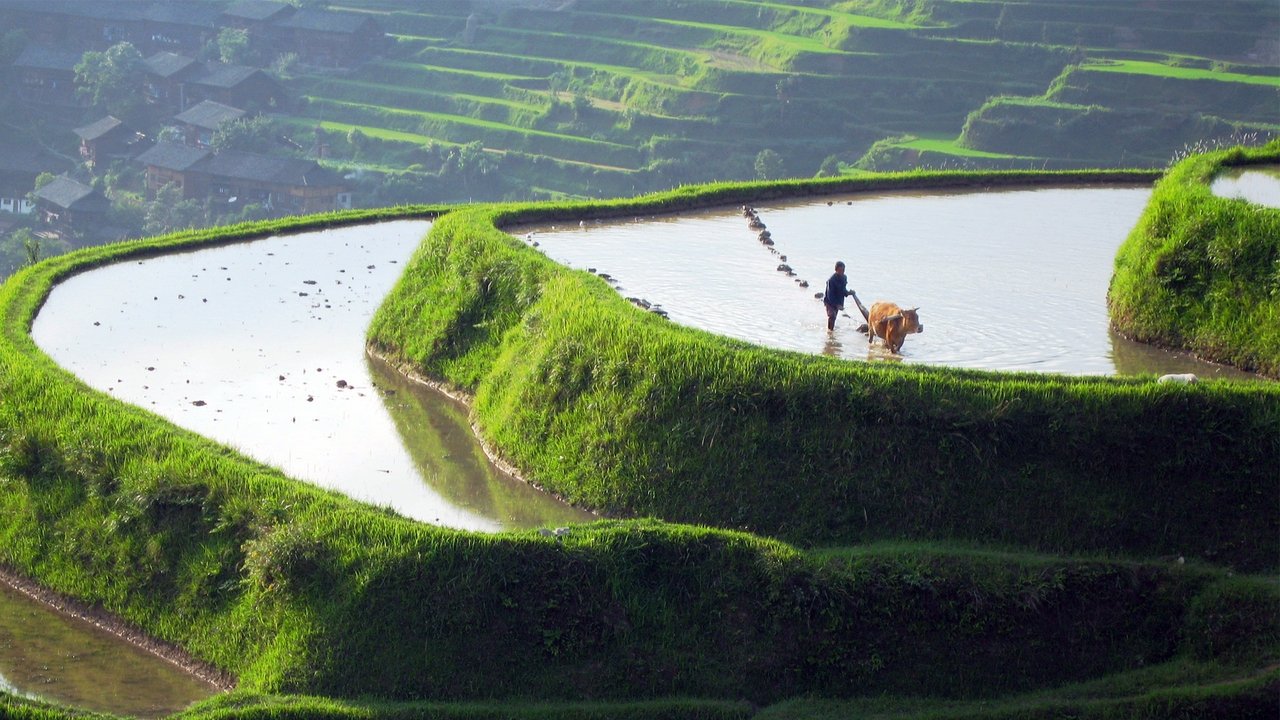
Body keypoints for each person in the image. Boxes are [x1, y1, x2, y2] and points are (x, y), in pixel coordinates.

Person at [823, 260, 857, 331]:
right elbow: (830, 295)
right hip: (829, 302)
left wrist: (849, 293)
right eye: (840, 270)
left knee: (834, 317)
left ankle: (831, 330)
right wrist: (836, 305)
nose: (842, 272)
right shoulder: (831, 280)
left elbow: (843, 290)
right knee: (832, 316)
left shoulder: (844, 278)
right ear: (836, 270)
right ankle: (829, 332)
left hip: (838, 300)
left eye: (843, 270)